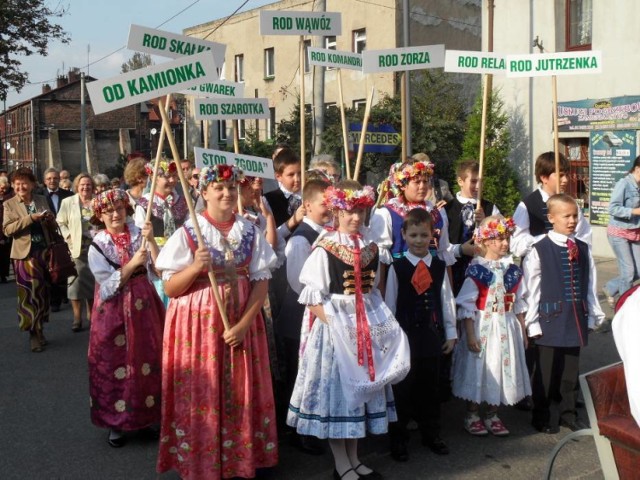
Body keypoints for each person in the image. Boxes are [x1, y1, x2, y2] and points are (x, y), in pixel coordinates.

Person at [156, 164, 278, 479]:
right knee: (203, 389)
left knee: (239, 389)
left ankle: (239, 459)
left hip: (240, 322)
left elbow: (261, 281)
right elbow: (170, 287)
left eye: (231, 188)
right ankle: (202, 461)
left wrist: (243, 325)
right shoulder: (188, 232)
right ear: (204, 192)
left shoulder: (249, 230)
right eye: (219, 188)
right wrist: (195, 267)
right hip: (196, 330)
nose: (226, 193)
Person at [287, 180, 410, 480]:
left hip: (364, 332)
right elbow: (311, 297)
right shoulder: (325, 248)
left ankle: (354, 458)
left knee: (361, 400)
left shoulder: (371, 249)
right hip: (334, 336)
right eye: (350, 211)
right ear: (337, 211)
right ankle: (341, 463)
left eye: (361, 211)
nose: (356, 217)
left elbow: (374, 294)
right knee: (338, 398)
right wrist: (337, 324)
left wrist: (380, 325)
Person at [511, 152, 594, 409]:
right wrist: (546, 241)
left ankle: (565, 393)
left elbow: (584, 235)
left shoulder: (570, 205)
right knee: (541, 339)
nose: (567, 179)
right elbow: (517, 242)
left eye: (568, 173)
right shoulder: (528, 205)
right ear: (545, 177)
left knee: (569, 335)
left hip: (567, 268)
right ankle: (534, 392)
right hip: (541, 269)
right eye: (561, 173)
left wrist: (567, 241)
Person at [87, 189, 165, 448]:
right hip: (112, 311)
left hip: (144, 304)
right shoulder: (99, 244)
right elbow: (107, 286)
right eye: (108, 211)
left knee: (147, 359)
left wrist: (151, 241)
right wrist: (132, 264)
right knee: (113, 362)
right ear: (100, 215)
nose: (115, 214)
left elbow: (160, 268)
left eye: (119, 208)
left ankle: (145, 418)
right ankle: (115, 423)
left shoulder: (138, 234)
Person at [523, 194, 605, 434]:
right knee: (545, 374)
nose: (572, 221)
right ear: (551, 218)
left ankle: (569, 415)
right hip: (549, 319)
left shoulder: (582, 247)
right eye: (566, 216)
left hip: (575, 318)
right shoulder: (539, 249)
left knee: (570, 373)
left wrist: (592, 314)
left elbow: (589, 282)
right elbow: (532, 288)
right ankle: (542, 415)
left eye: (575, 216)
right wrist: (532, 322)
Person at [384, 208, 456, 461]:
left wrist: (451, 332)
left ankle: (431, 434)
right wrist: (390, 341)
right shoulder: (398, 266)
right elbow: (390, 304)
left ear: (432, 236)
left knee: (430, 388)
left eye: (423, 235)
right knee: (403, 389)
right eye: (413, 235)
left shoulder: (437, 265)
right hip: (403, 337)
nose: (418, 240)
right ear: (403, 234)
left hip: (429, 335)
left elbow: (446, 300)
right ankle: (399, 438)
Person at [452, 215, 530, 437]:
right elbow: (467, 305)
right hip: (484, 326)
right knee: (482, 367)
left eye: (506, 238)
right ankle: (473, 413)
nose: (505, 243)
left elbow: (519, 302)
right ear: (485, 241)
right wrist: (470, 335)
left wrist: (522, 331)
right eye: (499, 239)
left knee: (501, 367)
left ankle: (493, 413)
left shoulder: (512, 270)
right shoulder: (478, 270)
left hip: (507, 325)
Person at [279, 178, 331, 456]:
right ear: (307, 205)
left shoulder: (327, 233)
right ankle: (296, 431)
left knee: (314, 373)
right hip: (301, 315)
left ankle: (311, 426)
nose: (330, 209)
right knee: (299, 375)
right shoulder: (301, 239)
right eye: (325, 204)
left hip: (317, 314)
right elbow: (299, 282)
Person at [370, 159, 455, 293]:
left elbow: (444, 252)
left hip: (433, 280)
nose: (422, 186)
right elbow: (380, 260)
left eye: (425, 181)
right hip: (400, 280)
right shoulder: (386, 213)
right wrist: (381, 297)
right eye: (417, 182)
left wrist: (449, 294)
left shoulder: (438, 212)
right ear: (403, 185)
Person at [3, 167, 57, 352]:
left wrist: (49, 219)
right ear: (12, 185)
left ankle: (40, 327)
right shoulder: (9, 204)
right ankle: (33, 333)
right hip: (24, 256)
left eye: (25, 183)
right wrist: (30, 218)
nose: (21, 187)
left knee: (43, 293)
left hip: (44, 252)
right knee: (28, 295)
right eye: (17, 184)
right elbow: (8, 229)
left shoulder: (41, 199)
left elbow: (53, 224)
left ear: (33, 184)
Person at [134, 159, 188, 305]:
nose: (172, 180)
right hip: (155, 258)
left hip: (179, 258)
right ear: (154, 178)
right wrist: (152, 261)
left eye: (174, 176)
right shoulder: (145, 204)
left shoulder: (183, 202)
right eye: (166, 176)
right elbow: (140, 238)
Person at [446, 160, 501, 296]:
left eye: (481, 182)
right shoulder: (447, 210)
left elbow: (503, 236)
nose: (478, 186)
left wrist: (486, 222)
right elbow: (442, 246)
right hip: (456, 270)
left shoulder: (490, 208)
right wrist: (460, 249)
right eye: (473, 181)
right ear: (460, 181)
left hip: (485, 270)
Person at [56, 173, 97, 332]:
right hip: (76, 248)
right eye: (82, 185)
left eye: (88, 184)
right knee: (75, 284)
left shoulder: (97, 201)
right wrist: (67, 237)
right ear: (77, 186)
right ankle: (77, 317)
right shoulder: (68, 202)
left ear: (92, 186)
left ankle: (92, 315)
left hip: (95, 249)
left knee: (93, 284)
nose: (85, 187)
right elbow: (59, 222)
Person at [603, 155, 640, 306]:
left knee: (638, 270)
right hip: (619, 232)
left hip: (635, 232)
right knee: (628, 272)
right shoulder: (624, 184)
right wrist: (634, 211)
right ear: (637, 169)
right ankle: (624, 306)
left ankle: (610, 287)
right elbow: (612, 208)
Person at [43, 167, 74, 312]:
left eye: (55, 178)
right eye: (49, 178)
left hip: (65, 235)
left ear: (59, 180)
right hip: (47, 236)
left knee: (65, 264)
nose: (52, 181)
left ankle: (65, 294)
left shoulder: (69, 195)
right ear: (44, 181)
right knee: (52, 267)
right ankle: (55, 299)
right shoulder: (40, 196)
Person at [0, 176, 15, 282]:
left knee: (5, 254)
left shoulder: (9, 198)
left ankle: (4, 275)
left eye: (5, 188)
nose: (3, 190)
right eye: (1, 188)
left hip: (6, 228)